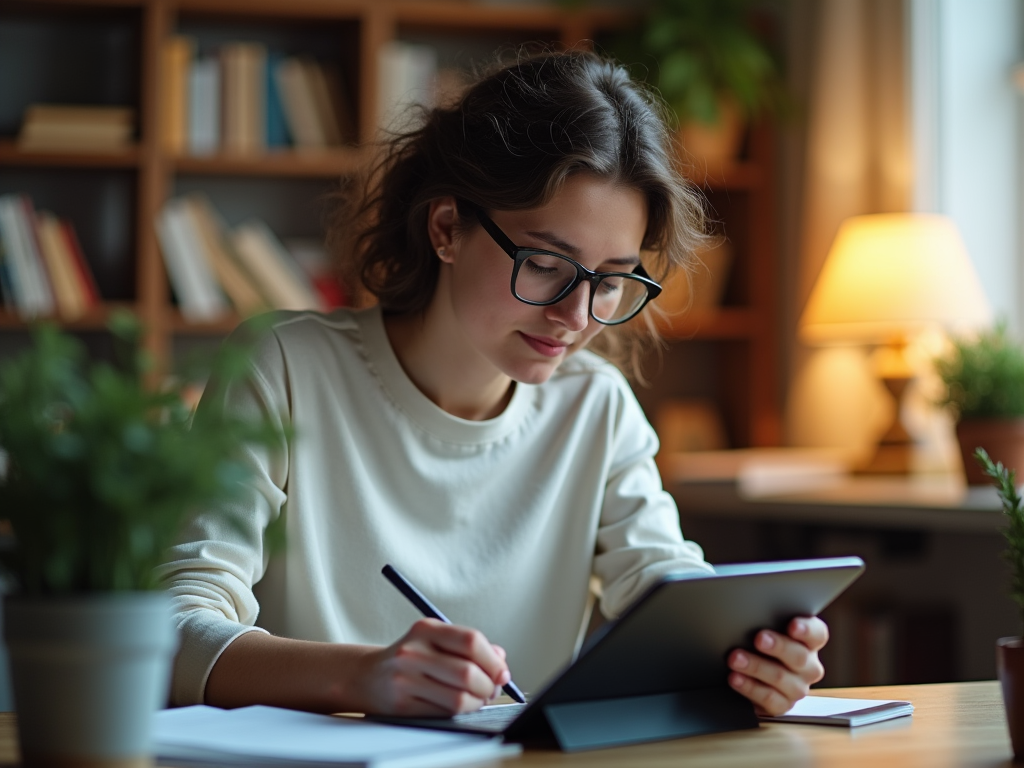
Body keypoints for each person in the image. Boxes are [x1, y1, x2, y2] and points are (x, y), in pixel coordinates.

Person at [158, 49, 827, 718]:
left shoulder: (595, 407)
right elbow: (174, 631)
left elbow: (664, 581)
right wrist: (362, 678)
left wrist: (751, 655)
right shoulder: (283, 367)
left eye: (612, 280)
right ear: (447, 227)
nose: (576, 315)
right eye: (544, 263)